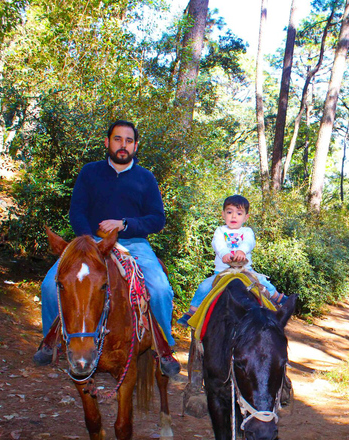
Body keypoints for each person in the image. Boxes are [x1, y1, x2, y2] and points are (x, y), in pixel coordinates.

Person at [33, 120, 180, 377]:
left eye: (129, 141)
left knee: (160, 288)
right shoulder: (90, 172)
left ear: (135, 146)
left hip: (133, 244)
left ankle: (163, 347)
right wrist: (87, 240)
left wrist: (124, 224)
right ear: (107, 142)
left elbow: (158, 219)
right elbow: (77, 211)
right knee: (49, 284)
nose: (123, 145)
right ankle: (52, 339)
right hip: (89, 243)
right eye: (117, 139)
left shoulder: (146, 178)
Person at [178, 194, 286, 325]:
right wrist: (224, 253)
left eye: (239, 213)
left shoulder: (247, 231)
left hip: (244, 270)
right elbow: (218, 243)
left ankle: (278, 298)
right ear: (223, 214)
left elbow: (249, 242)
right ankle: (192, 312)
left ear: (246, 217)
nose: (234, 216)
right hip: (223, 272)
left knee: (262, 282)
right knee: (204, 286)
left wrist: (242, 251)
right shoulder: (220, 231)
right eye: (229, 212)